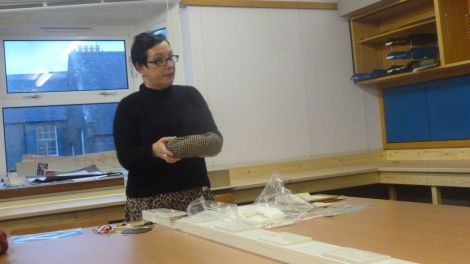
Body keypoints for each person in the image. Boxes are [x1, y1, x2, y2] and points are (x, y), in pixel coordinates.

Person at [113, 32, 223, 222]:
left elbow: (215, 142)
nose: (170, 65)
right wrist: (154, 150)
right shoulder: (129, 106)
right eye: (159, 61)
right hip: (149, 201)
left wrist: (176, 147)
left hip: (195, 195)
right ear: (140, 67)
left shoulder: (190, 95)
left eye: (170, 57)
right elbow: (126, 158)